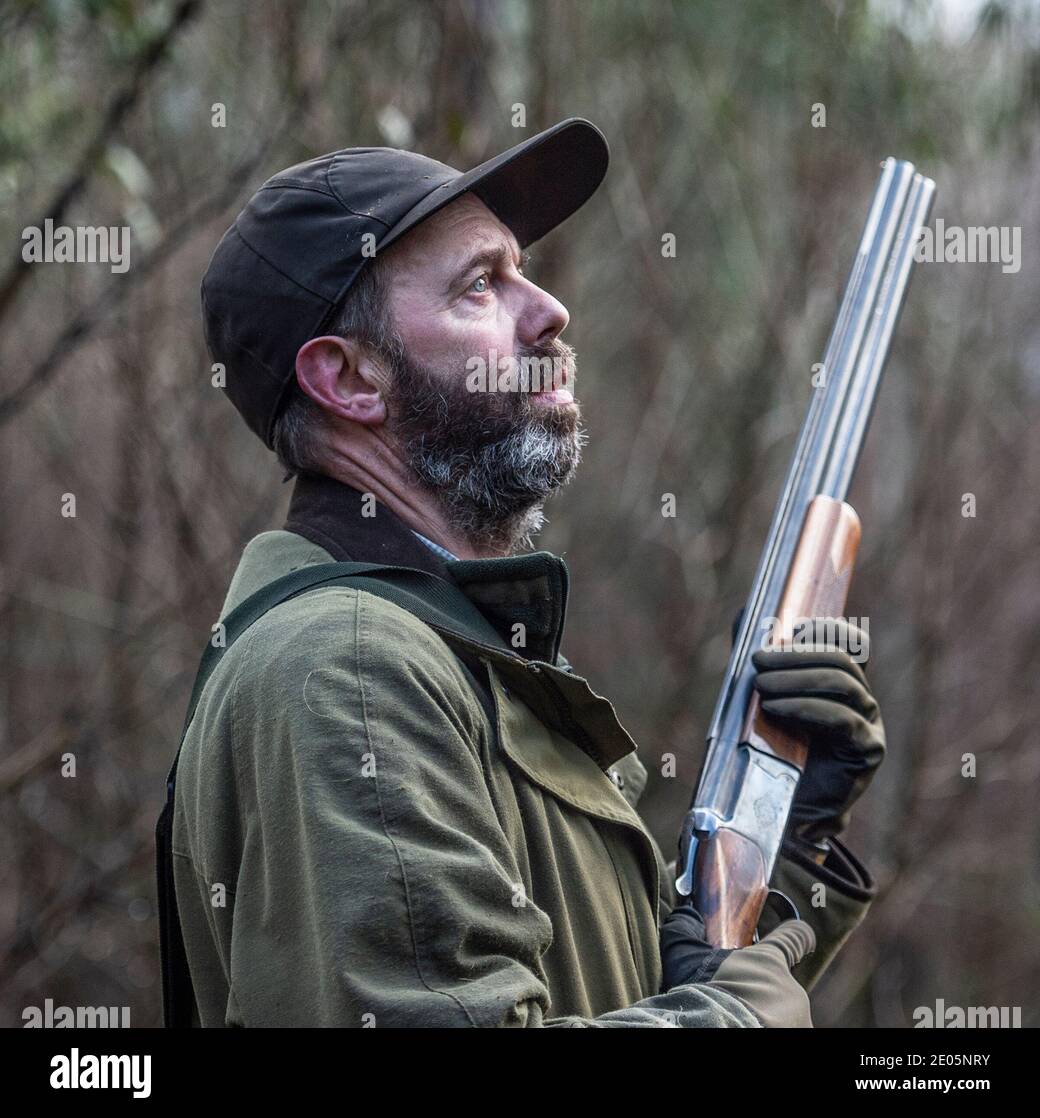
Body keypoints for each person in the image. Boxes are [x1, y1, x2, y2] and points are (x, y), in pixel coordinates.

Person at [167, 117, 882, 1027]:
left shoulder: (450, 651)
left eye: (519, 267)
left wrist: (791, 834)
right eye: (480, 286)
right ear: (348, 379)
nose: (548, 310)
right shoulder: (349, 667)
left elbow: (625, 996)